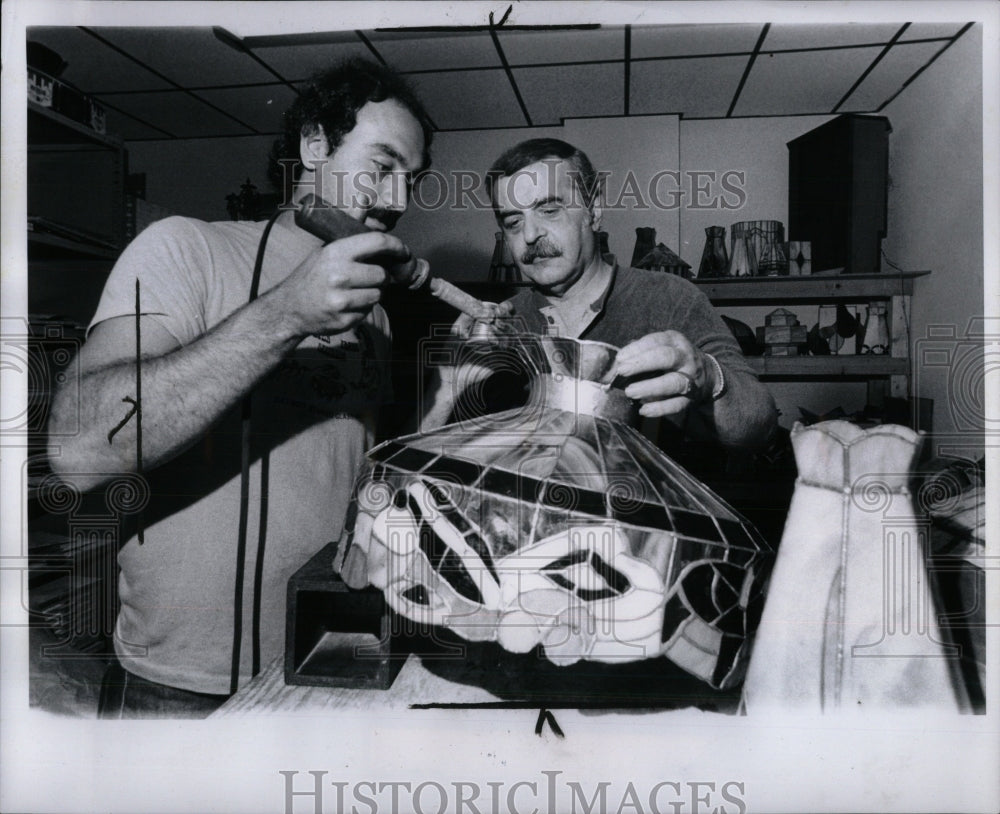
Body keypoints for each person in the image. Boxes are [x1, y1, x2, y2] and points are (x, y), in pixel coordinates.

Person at [46, 58, 434, 717]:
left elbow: (363, 482)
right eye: (381, 164)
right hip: (180, 687)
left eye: (411, 179)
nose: (396, 197)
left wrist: (454, 398)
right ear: (314, 145)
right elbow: (78, 450)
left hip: (327, 661)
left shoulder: (378, 313)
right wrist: (288, 313)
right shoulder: (184, 248)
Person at [421, 137, 777, 449]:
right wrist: (448, 385)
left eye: (549, 210)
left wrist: (710, 378)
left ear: (594, 211)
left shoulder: (670, 298)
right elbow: (438, 459)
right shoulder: (503, 325)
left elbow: (758, 429)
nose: (529, 235)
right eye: (513, 222)